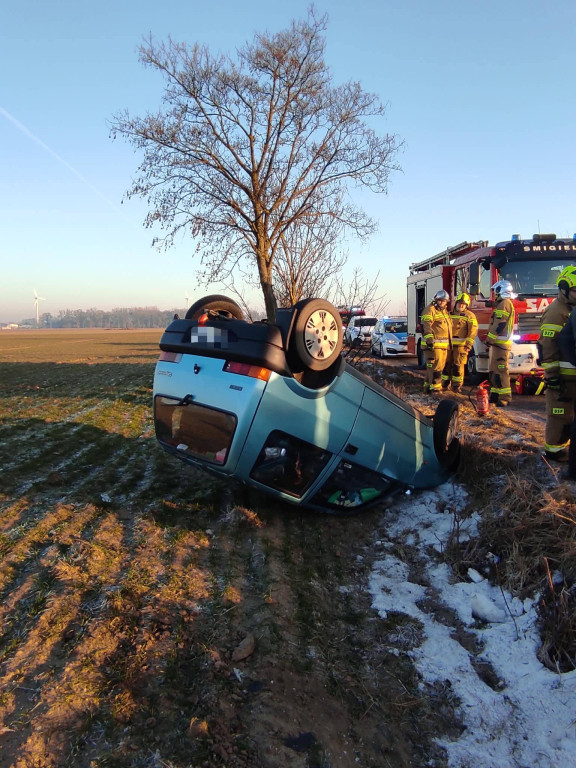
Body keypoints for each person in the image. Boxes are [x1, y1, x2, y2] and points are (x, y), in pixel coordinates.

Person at [538, 265, 576, 462]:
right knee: (560, 415)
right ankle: (554, 452)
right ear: (563, 288)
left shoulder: (572, 309)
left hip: (572, 376)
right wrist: (552, 376)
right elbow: (548, 346)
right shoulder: (556, 312)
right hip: (562, 377)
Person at [486, 280, 517, 407]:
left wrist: (490, 338)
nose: (495, 294)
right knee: (494, 370)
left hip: (501, 343)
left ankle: (504, 397)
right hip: (498, 343)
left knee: (501, 370)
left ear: (501, 291)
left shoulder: (504, 304)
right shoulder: (503, 303)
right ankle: (495, 394)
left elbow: (500, 324)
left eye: (496, 291)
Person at [441, 293, 478, 392]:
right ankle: (444, 385)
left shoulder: (470, 316)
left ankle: (456, 387)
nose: (461, 305)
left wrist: (468, 345)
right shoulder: (449, 314)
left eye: (463, 304)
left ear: (466, 305)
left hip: (461, 346)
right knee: (446, 365)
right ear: (456, 303)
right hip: (448, 346)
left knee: (458, 366)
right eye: (460, 303)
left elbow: (472, 331)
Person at [421, 289, 451, 393]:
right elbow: (426, 325)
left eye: (444, 301)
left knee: (436, 367)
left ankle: (427, 387)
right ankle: (436, 389)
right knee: (436, 368)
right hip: (434, 345)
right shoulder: (430, 309)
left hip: (442, 345)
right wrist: (430, 340)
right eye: (440, 300)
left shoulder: (444, 312)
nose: (442, 302)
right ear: (436, 300)